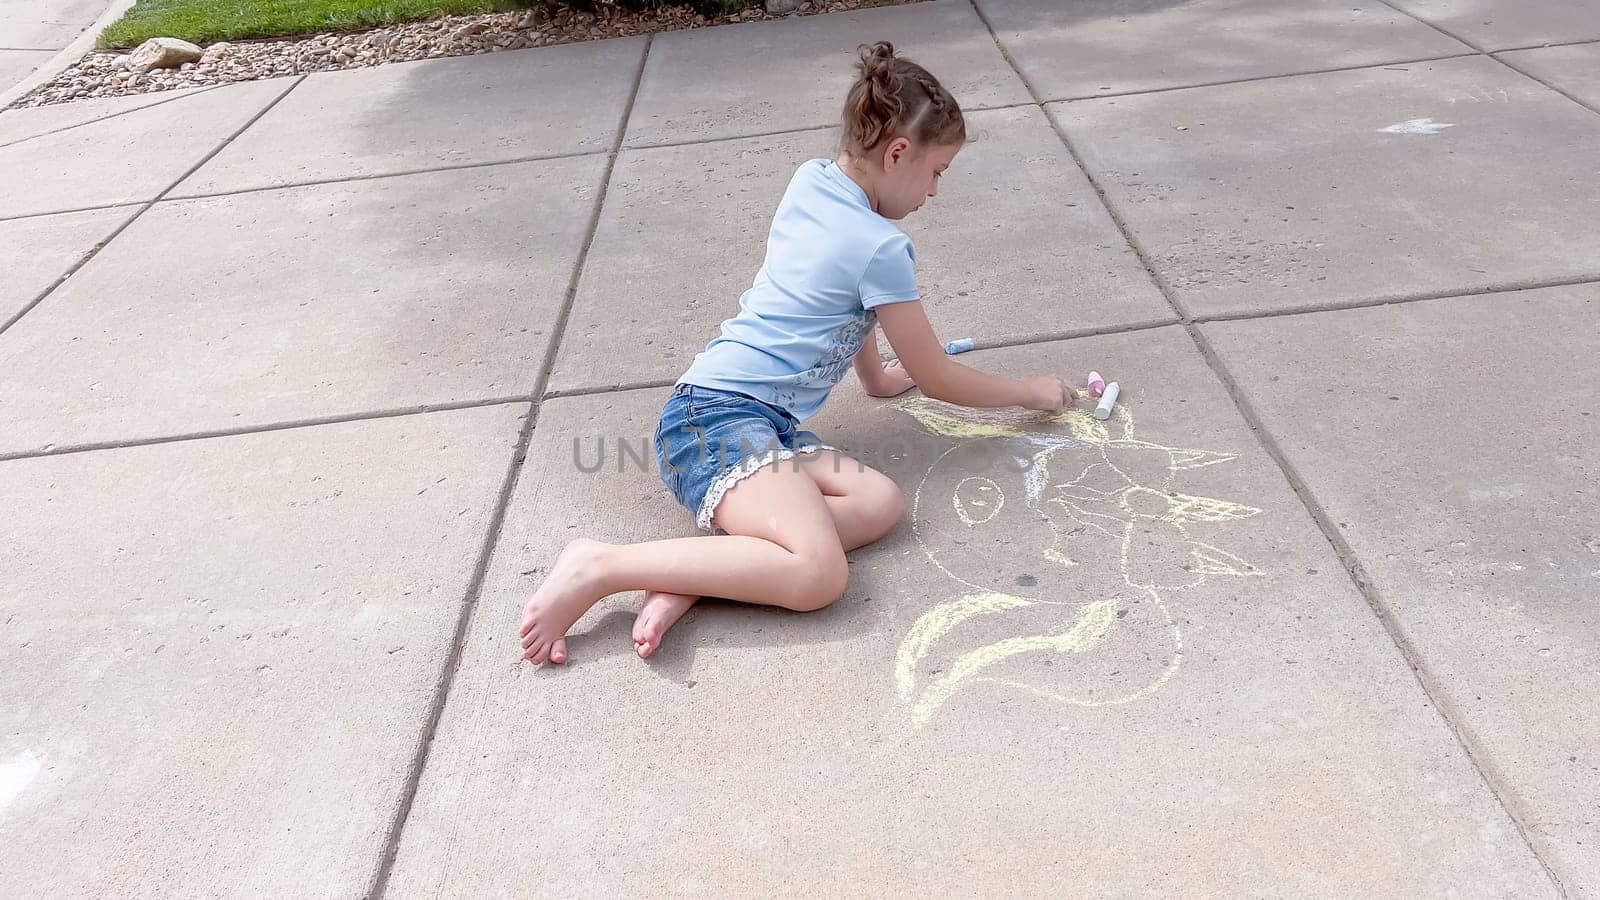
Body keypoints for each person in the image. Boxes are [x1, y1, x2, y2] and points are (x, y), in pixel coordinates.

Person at [520, 41, 1076, 665]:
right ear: (898, 154)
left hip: (746, 422)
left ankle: (694, 575)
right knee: (819, 575)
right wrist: (1032, 393)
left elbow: (841, 298)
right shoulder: (881, 248)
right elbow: (937, 375)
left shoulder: (813, 181)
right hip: (717, 425)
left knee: (878, 503)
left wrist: (873, 378)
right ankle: (602, 565)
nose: (935, 190)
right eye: (936, 171)